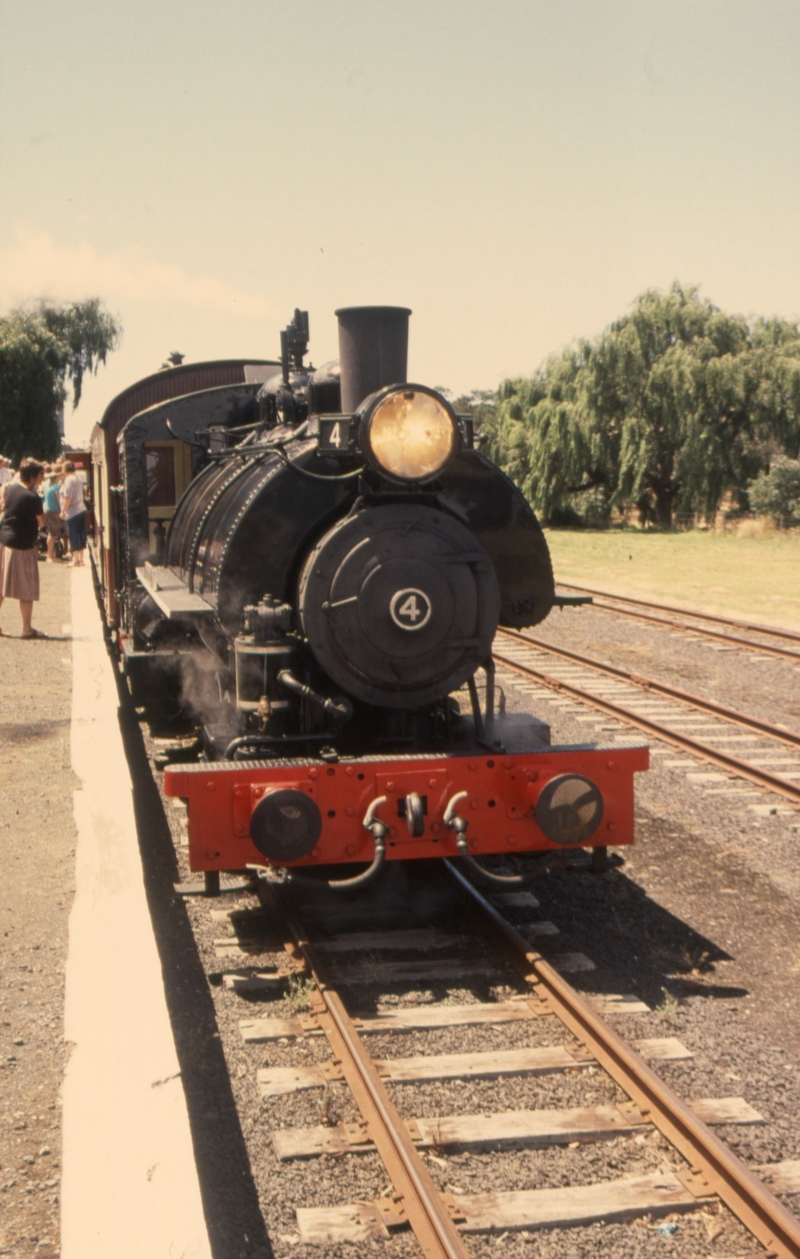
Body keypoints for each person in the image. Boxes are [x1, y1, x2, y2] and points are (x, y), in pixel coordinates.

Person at [0, 458, 46, 638]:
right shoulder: (33, 497)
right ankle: (26, 629)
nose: (42, 479)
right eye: (40, 476)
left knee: (0, 587)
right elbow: (41, 522)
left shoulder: (9, 489)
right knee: (27, 588)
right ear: (33, 476)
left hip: (3, 542)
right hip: (22, 545)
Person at [60, 461, 87, 567]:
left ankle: (76, 560)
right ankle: (81, 559)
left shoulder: (69, 479)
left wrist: (63, 511)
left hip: (72, 511)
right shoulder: (77, 478)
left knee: (74, 534)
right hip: (81, 509)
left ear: (64, 469)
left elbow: (68, 497)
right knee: (81, 534)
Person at [42, 468, 64, 562]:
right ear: (57, 477)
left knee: (50, 533)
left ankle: (49, 555)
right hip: (54, 510)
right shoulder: (56, 487)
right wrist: (63, 511)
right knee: (53, 534)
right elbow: (59, 500)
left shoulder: (46, 484)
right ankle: (50, 556)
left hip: (46, 509)